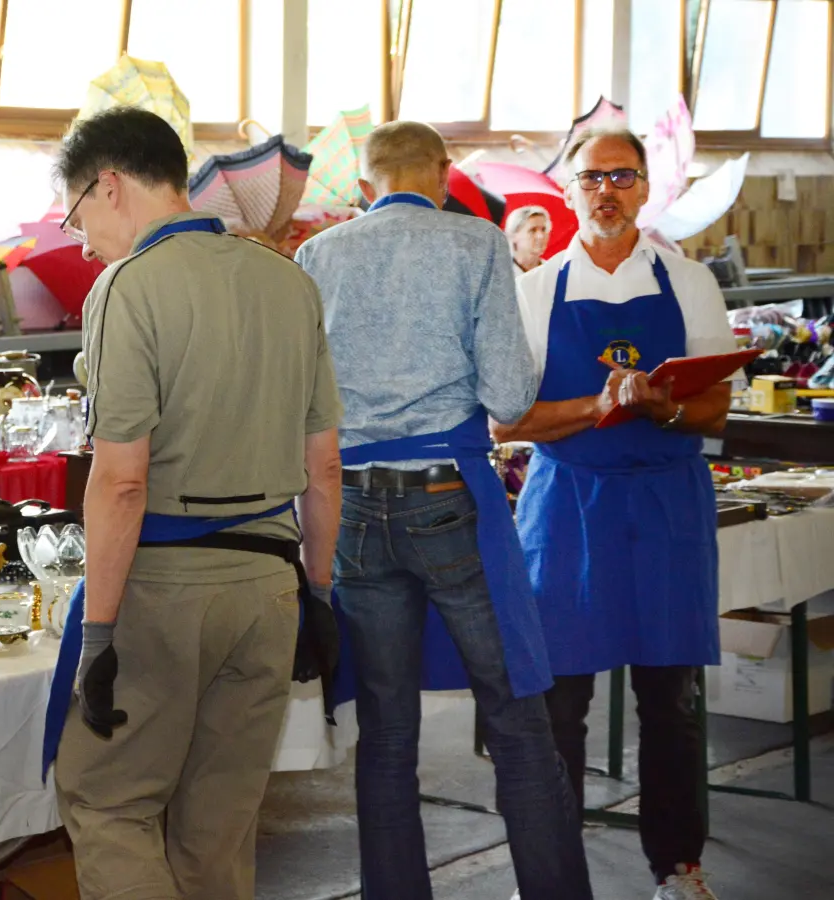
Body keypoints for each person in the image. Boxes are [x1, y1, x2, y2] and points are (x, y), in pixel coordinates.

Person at [41, 107, 343, 900]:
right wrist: (319, 595)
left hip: (167, 589)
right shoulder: (288, 279)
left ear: (110, 185)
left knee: (108, 802)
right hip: (270, 587)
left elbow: (122, 480)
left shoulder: (128, 287)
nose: (82, 243)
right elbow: (323, 466)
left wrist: (98, 634)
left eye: (76, 215)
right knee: (220, 827)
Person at [294, 120, 591, 900]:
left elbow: (303, 404)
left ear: (367, 184)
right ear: (443, 173)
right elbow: (510, 398)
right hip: (447, 497)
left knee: (386, 733)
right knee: (516, 717)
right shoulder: (477, 243)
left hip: (354, 506)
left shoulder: (318, 255)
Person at [500, 129, 734, 900]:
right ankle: (551, 876)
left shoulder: (689, 281)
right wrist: (596, 406)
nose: (607, 191)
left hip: (667, 506)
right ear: (569, 190)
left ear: (644, 187)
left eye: (622, 176)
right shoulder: (536, 291)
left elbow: (715, 407)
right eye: (592, 177)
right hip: (568, 504)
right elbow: (506, 419)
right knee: (558, 702)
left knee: (670, 700)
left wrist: (665, 408)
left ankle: (679, 868)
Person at [508, 205, 552, 275]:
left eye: (543, 229)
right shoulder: (497, 273)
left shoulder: (553, 272)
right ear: (513, 236)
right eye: (533, 230)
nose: (541, 236)